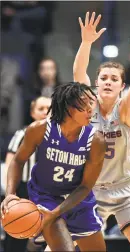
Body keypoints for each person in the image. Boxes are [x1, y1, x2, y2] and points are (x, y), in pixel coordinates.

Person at [73, 12, 130, 251]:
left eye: (114, 79)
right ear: (96, 83)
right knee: (57, 247)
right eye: (103, 78)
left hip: (126, 189)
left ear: (122, 86)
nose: (108, 81)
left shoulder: (126, 111)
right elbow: (78, 74)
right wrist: (87, 42)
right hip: (90, 190)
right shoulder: (87, 107)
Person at [1, 82, 106, 252]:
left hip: (77, 199)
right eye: (83, 104)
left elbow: (86, 186)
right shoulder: (39, 129)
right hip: (46, 197)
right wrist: (10, 194)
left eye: (90, 103)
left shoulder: (96, 141)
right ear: (67, 107)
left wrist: (58, 211)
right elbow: (17, 161)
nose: (89, 109)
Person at [2, 96, 51, 252]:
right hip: (23, 189)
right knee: (16, 232)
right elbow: (11, 163)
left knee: (47, 238)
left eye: (48, 109)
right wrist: (10, 192)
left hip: (49, 192)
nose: (45, 112)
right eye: (41, 109)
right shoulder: (22, 134)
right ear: (32, 112)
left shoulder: (59, 135)